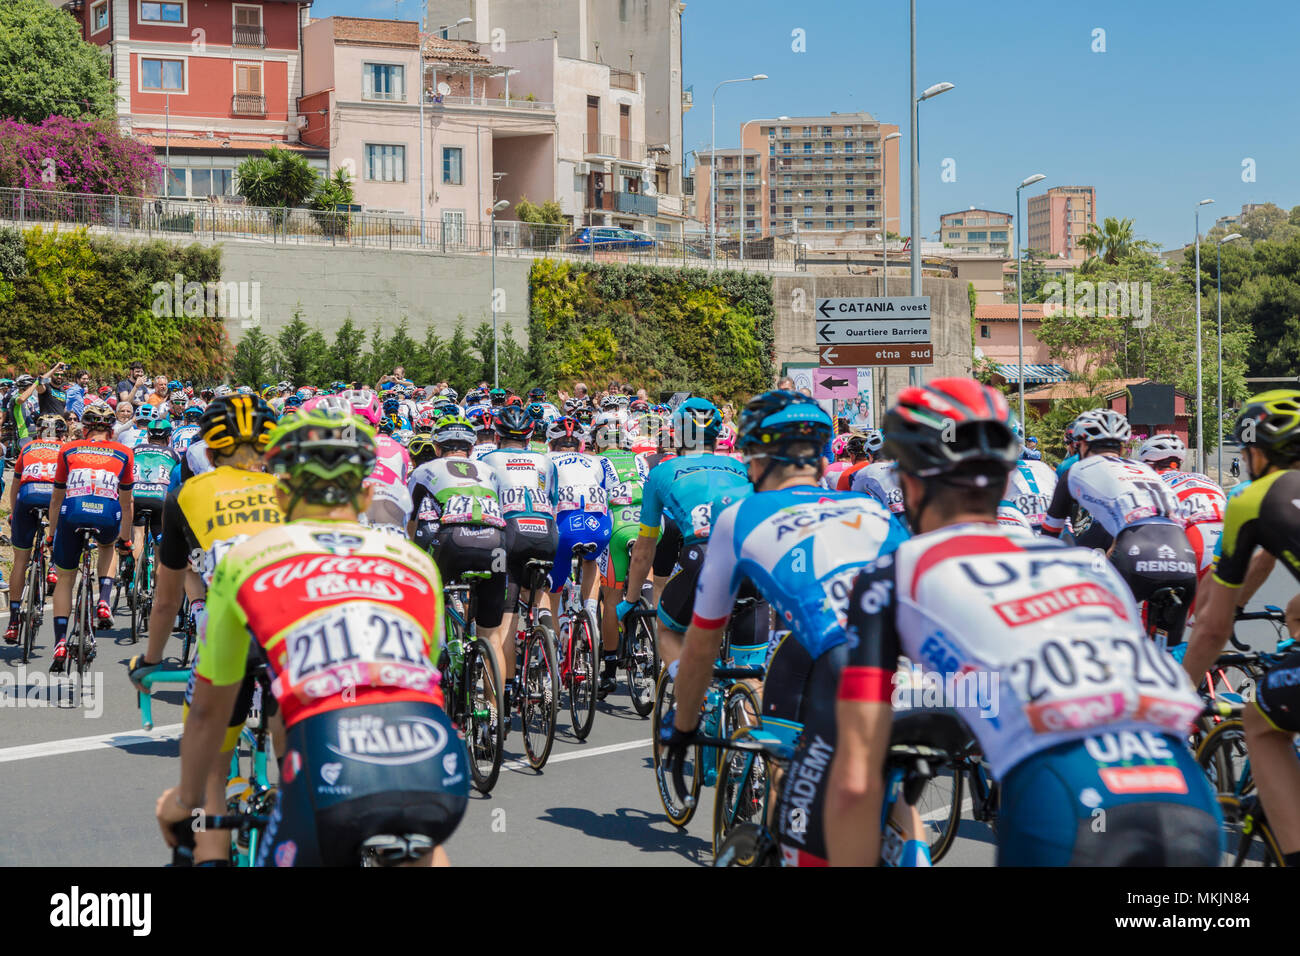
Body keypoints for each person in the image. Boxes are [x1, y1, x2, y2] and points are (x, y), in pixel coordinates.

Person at [825, 377, 1219, 866]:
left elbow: (857, 776)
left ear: (908, 480)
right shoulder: (1088, 566)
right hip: (1184, 793)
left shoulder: (897, 572)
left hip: (1067, 798)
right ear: (1009, 474)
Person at [154, 407, 468, 867]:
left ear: (280, 493)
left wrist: (184, 802)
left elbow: (207, 710)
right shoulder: (415, 563)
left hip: (333, 763)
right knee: (422, 846)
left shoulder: (249, 559)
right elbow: (423, 671)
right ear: (366, 494)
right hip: (435, 766)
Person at [662, 390, 905, 866]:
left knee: (787, 774)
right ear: (822, 458)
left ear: (756, 459)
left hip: (836, 661)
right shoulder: (872, 509)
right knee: (893, 781)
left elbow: (702, 645)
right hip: (923, 669)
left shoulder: (741, 516)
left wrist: (685, 727)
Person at [1182, 390, 1300, 867]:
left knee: (1258, 722)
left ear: (1257, 453)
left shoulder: (1252, 498)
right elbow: (1267, 559)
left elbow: (1212, 629)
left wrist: (1178, 695)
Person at [1042, 408, 1196, 646]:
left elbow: (1049, 535)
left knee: (1093, 633)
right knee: (1168, 652)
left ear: (1082, 445)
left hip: (1136, 552)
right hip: (1184, 558)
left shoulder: (1075, 470)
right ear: (1123, 448)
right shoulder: (1145, 470)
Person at [618, 399, 753, 668]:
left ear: (679, 433)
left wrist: (631, 600)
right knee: (748, 674)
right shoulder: (742, 467)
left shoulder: (661, 473)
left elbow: (644, 550)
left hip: (705, 559)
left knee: (667, 630)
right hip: (752, 562)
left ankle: (692, 689)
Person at [480, 405, 559, 718]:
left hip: (510, 534)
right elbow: (552, 500)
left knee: (506, 621)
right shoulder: (545, 461)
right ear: (529, 438)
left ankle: (505, 693)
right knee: (538, 590)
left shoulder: (488, 459)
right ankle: (547, 631)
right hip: (546, 533)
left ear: (497, 436)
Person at [46, 405, 134, 670]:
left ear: (85, 428)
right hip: (106, 513)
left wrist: (51, 535)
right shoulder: (124, 452)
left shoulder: (68, 449)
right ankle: (104, 600)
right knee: (108, 546)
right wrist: (125, 539)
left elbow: (56, 498)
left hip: (72, 512)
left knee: (65, 579)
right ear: (111, 430)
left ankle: (60, 642)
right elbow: (127, 502)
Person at [407, 414, 508, 640]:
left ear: (436, 447)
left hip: (453, 539)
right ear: (471, 448)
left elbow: (411, 520)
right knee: (492, 637)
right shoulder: (489, 470)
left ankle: (437, 646)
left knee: (426, 600)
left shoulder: (424, 470)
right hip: (495, 544)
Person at [4, 414, 66, 644]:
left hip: (28, 497)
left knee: (20, 560)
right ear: (61, 433)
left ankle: (13, 622)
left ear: (38, 432)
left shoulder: (28, 447)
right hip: (53, 497)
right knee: (61, 526)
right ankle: (53, 567)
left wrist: (13, 513)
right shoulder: (66, 449)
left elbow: (15, 485)